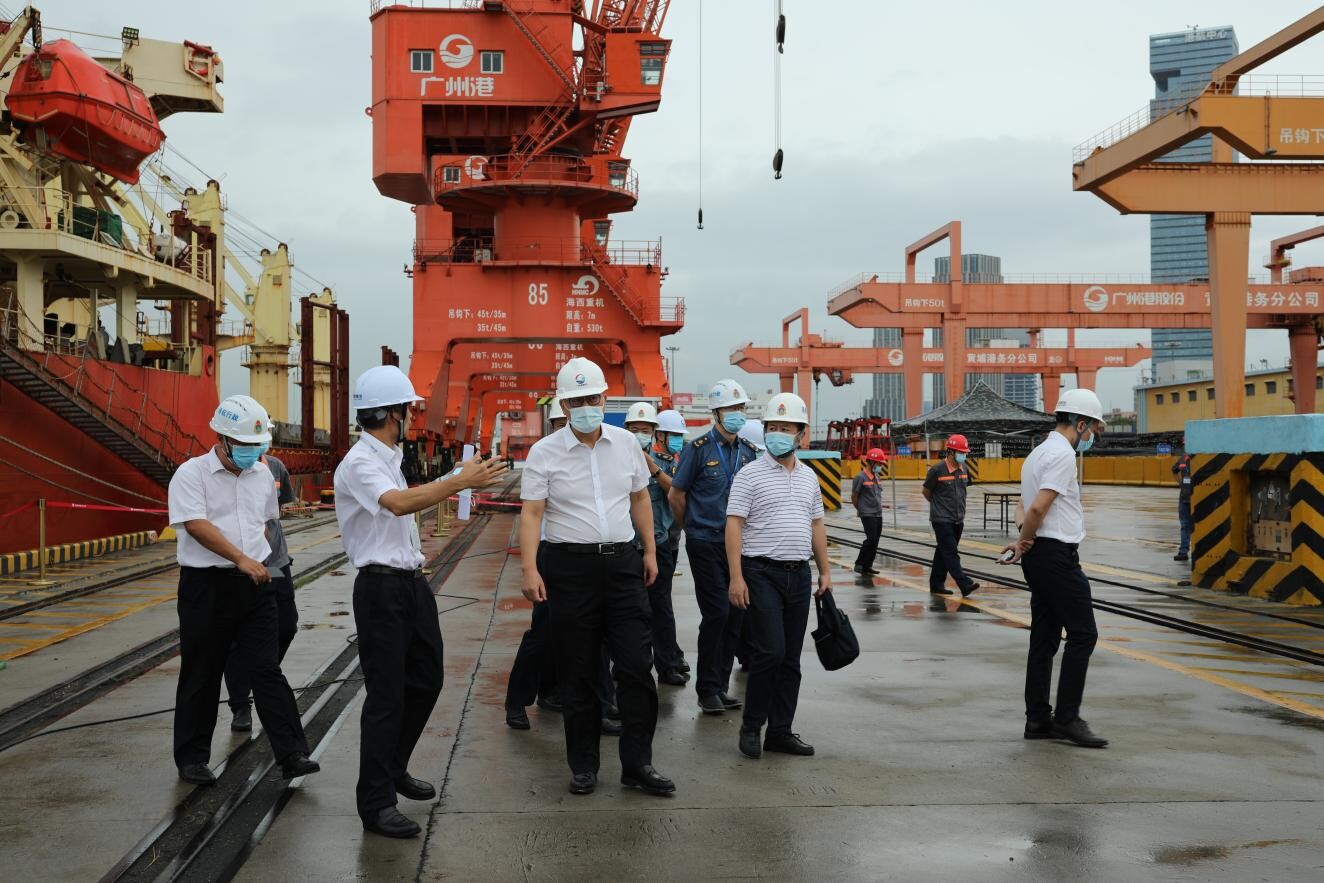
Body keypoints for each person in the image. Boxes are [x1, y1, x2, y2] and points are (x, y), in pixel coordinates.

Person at [335, 364, 507, 838]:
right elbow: (398, 503)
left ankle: (393, 765)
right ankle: (376, 803)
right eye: (408, 409)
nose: (413, 416)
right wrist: (458, 482)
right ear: (392, 413)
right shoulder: (361, 462)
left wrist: (462, 475)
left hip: (410, 583)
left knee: (426, 680)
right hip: (380, 590)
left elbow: (410, 493)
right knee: (386, 696)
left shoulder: (388, 455)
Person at [520, 357, 674, 797]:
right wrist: (530, 568)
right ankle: (584, 765)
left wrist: (649, 550)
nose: (586, 406)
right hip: (570, 570)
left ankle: (638, 764)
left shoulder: (626, 444)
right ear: (564, 406)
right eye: (577, 400)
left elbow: (640, 498)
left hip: (623, 566)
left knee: (635, 667)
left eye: (593, 398)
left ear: (604, 399)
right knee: (580, 671)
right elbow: (532, 514)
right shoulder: (544, 453)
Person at [167, 395, 320, 787]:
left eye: (259, 446)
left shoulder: (262, 477)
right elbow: (196, 526)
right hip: (207, 587)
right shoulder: (190, 474)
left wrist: (259, 559)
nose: (254, 453)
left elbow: (267, 522)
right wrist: (240, 557)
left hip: (256, 585)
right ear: (221, 438)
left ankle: (293, 753)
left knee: (267, 669)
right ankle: (192, 758)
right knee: (202, 672)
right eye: (246, 446)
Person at [726, 393, 831, 759]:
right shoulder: (749, 475)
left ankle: (781, 731)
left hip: (798, 575)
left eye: (786, 428)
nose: (777, 434)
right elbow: (734, 526)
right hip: (761, 573)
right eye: (773, 427)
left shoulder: (809, 478)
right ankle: (753, 725)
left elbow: (816, 524)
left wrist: (825, 570)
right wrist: (736, 577)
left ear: (801, 434)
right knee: (769, 651)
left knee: (790, 658)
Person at [1001, 388, 1108, 749]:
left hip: (1040, 556)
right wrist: (1027, 541)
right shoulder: (1062, 455)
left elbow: (1022, 507)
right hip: (1056, 555)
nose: (1091, 437)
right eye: (1091, 429)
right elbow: (1036, 510)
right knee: (1083, 634)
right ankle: (1067, 718)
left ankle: (1037, 719)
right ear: (1079, 423)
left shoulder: (1036, 454)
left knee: (1044, 638)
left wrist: (1022, 542)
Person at [669, 379, 760, 715]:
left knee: (737, 614)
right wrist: (692, 526)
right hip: (706, 542)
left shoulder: (750, 452)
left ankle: (720, 687)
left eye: (741, 408)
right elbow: (676, 495)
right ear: (717, 412)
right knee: (717, 613)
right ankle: (706, 688)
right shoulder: (699, 449)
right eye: (731, 409)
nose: (737, 414)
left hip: (740, 546)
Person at [223, 452, 299, 732]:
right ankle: (240, 705)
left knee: (287, 626)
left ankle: (260, 675)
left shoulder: (275, 467)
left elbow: (278, 510)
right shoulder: (219, 471)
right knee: (236, 641)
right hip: (241, 568)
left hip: (277, 564)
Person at [626, 402, 688, 687]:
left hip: (658, 543)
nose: (640, 434)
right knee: (629, 609)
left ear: (654, 433)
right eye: (635, 429)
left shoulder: (666, 462)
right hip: (626, 546)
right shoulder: (618, 459)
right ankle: (628, 668)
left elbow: (676, 490)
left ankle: (668, 664)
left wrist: (653, 470)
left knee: (660, 606)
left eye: (645, 430)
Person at [922, 434, 980, 597]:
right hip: (941, 519)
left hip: (958, 518)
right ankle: (964, 583)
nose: (964, 455)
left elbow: (963, 489)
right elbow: (926, 492)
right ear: (951, 452)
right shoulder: (936, 470)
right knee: (951, 552)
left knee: (943, 551)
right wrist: (939, 506)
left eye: (965, 453)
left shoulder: (965, 468)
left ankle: (936, 584)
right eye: (961, 453)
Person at [851, 447, 887, 576]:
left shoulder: (876, 477)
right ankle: (859, 563)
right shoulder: (860, 477)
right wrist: (861, 509)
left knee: (875, 540)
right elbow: (854, 496)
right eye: (879, 464)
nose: (880, 466)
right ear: (871, 462)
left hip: (878, 513)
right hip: (867, 513)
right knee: (870, 539)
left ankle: (868, 565)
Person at [1173, 448, 1193, 562]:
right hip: (1185, 498)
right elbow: (1174, 470)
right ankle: (1183, 552)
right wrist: (1180, 483)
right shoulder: (1182, 459)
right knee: (1185, 525)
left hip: (1198, 497)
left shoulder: (1200, 458)